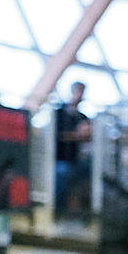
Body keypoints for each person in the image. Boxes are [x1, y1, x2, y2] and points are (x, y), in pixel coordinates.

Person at [52, 81, 93, 213]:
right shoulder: (59, 113)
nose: (80, 95)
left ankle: (83, 209)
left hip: (75, 161)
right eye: (79, 91)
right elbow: (57, 136)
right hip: (59, 160)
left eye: (82, 92)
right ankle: (60, 210)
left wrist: (87, 134)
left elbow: (89, 138)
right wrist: (77, 135)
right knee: (62, 174)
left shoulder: (82, 117)